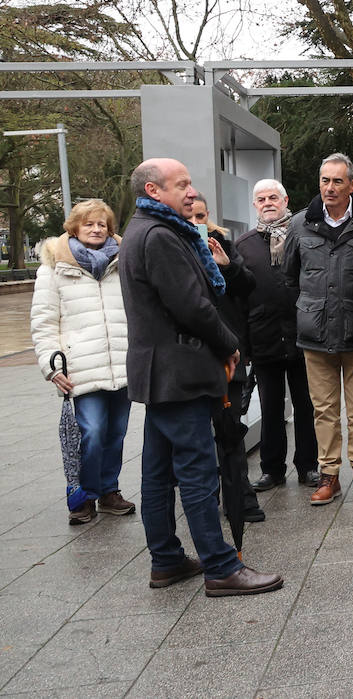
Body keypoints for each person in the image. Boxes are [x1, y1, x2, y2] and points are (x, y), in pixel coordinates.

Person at [121, 158, 281, 595]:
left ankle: (167, 560)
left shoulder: (147, 230)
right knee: (196, 472)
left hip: (162, 374)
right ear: (154, 191)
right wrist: (230, 344)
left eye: (191, 183)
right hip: (181, 373)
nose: (191, 192)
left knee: (157, 471)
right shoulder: (159, 236)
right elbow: (192, 306)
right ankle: (220, 566)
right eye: (183, 184)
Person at [284, 152, 353, 505]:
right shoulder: (299, 225)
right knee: (323, 409)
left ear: (352, 185)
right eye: (325, 181)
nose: (330, 188)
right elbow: (290, 277)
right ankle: (328, 475)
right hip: (314, 334)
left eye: (337, 181)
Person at [30, 199, 135, 525]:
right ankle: (84, 495)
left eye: (102, 224)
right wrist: (52, 365)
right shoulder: (53, 268)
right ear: (74, 227)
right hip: (80, 368)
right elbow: (44, 321)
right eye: (89, 223)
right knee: (91, 431)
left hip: (121, 363)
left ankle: (109, 491)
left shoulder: (123, 262)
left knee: (116, 433)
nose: (96, 229)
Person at [238, 179, 319, 491]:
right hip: (264, 338)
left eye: (274, 197)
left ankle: (308, 466)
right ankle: (272, 470)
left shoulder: (304, 237)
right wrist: (243, 344)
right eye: (261, 198)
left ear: (286, 200)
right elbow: (239, 296)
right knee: (271, 407)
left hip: (303, 334)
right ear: (255, 204)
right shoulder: (243, 245)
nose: (268, 202)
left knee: (306, 405)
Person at [189, 197, 265, 524]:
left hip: (229, 355)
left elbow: (248, 286)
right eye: (189, 216)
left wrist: (227, 265)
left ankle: (241, 499)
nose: (196, 222)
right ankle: (203, 499)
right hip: (190, 359)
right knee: (195, 436)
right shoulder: (171, 247)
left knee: (231, 429)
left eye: (201, 216)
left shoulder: (222, 243)